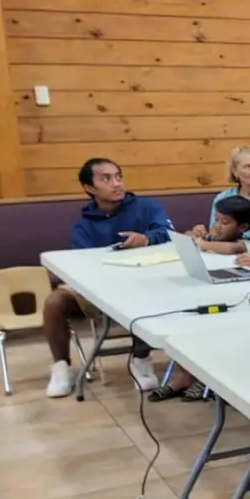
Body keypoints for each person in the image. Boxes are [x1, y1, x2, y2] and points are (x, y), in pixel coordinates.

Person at [44, 158, 173, 397]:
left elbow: (168, 233)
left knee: (149, 294)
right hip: (102, 290)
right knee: (54, 303)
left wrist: (145, 240)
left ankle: (141, 359)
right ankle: (62, 368)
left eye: (118, 176)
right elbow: (82, 267)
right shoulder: (82, 226)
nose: (116, 183)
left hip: (145, 283)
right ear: (90, 188)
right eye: (106, 178)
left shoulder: (146, 207)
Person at [150, 197, 250, 402]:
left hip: (236, 296)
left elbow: (231, 249)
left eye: (225, 222)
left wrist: (202, 242)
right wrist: (195, 234)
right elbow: (188, 237)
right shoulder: (213, 237)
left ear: (243, 226)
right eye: (216, 220)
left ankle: (207, 376)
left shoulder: (249, 242)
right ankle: (187, 375)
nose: (218, 226)